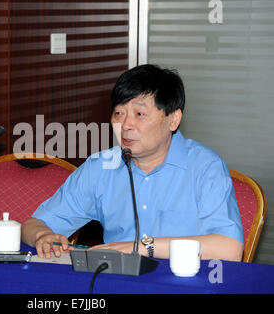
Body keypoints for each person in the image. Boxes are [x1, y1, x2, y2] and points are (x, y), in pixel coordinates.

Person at [21, 64, 244, 261]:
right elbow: (32, 225)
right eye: (119, 113)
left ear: (173, 119)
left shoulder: (205, 167)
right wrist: (44, 236)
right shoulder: (100, 167)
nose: (125, 125)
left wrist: (142, 248)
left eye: (139, 114)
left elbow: (229, 249)